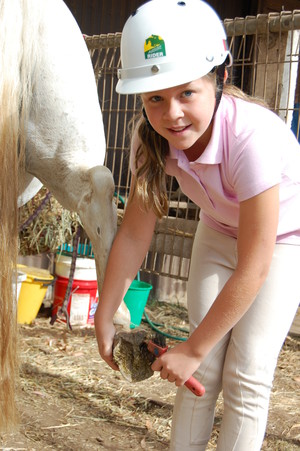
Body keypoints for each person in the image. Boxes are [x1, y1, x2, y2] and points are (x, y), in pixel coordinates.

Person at [94, 0, 300, 449]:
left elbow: (255, 267)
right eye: (155, 98)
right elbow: (134, 232)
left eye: (186, 92)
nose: (172, 114)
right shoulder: (150, 140)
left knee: (247, 373)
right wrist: (103, 313)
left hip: (282, 244)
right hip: (220, 230)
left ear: (220, 79)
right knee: (199, 368)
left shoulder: (252, 139)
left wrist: (191, 348)